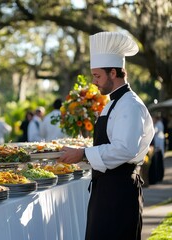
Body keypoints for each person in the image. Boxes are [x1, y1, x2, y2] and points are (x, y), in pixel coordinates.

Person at [58, 32, 155, 240]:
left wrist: (83, 153)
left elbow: (124, 149)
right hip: (106, 190)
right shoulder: (113, 102)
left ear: (113, 73)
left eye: (97, 76)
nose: (94, 82)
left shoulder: (130, 104)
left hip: (120, 192)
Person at [149, 113, 165, 184]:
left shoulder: (158, 124)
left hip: (158, 146)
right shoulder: (157, 124)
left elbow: (154, 131)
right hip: (157, 145)